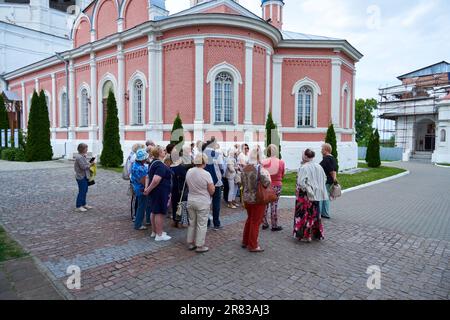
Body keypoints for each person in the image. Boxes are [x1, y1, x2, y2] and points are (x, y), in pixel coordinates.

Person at [294, 149, 328, 243]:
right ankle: (314, 234)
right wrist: (316, 188)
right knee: (314, 213)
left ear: (305, 156)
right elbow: (324, 179)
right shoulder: (319, 166)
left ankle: (305, 235)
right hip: (316, 194)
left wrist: (307, 188)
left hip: (305, 196)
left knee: (304, 214)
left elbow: (301, 182)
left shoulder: (304, 167)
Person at [241, 147, 271, 252]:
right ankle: (253, 245)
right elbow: (267, 183)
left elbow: (243, 183)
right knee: (256, 221)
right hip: (257, 198)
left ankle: (245, 241)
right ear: (259, 156)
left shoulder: (245, 168)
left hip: (247, 197)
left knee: (250, 219)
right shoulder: (260, 169)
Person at [186, 153, 216, 253]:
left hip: (191, 199)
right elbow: (212, 190)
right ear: (204, 162)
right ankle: (199, 245)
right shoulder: (206, 174)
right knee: (201, 224)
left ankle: (190, 242)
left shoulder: (189, 171)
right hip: (202, 201)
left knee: (192, 222)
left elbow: (187, 184)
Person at [144, 146, 173, 241]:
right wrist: (148, 189)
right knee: (159, 212)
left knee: (154, 211)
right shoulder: (160, 165)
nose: (165, 152)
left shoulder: (153, 162)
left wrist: (147, 188)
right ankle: (159, 235)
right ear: (160, 153)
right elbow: (156, 179)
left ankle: (154, 231)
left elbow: (148, 176)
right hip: (160, 191)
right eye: (163, 151)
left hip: (156, 191)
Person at [262, 144, 285, 231]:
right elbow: (283, 174)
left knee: (265, 205)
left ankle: (264, 223)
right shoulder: (281, 162)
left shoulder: (264, 162)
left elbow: (262, 175)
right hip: (277, 185)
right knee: (274, 205)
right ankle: (274, 225)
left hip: (267, 185)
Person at [203, 140, 224, 230]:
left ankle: (206, 222)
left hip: (204, 181)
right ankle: (216, 223)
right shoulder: (217, 154)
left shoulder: (201, 154)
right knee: (216, 203)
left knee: (206, 203)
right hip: (215, 182)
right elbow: (222, 167)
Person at [170, 147, 193, 228]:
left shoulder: (172, 165)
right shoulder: (180, 166)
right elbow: (185, 176)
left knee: (174, 204)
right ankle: (179, 222)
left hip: (174, 187)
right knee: (181, 204)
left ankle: (174, 221)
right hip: (181, 188)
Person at [131, 149, 150, 230]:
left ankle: (138, 223)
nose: (146, 159)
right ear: (142, 159)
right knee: (141, 207)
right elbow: (143, 181)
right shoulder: (141, 168)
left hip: (137, 188)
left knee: (140, 206)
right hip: (141, 189)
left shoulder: (135, 165)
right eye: (145, 158)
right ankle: (138, 224)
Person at [74, 143, 95, 212]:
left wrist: (89, 163)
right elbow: (83, 167)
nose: (87, 149)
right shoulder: (79, 157)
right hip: (81, 177)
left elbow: (85, 164)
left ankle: (84, 204)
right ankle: (78, 206)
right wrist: (91, 164)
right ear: (82, 149)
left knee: (85, 190)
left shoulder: (82, 156)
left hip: (85, 176)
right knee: (82, 191)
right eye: (86, 148)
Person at [319, 143, 338, 219]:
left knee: (323, 196)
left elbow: (332, 170)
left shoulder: (327, 158)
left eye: (322, 149)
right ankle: (324, 212)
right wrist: (334, 179)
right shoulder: (331, 158)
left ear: (326, 150)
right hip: (328, 180)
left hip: (326, 180)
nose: (321, 151)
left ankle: (323, 213)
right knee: (325, 195)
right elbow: (334, 170)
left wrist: (334, 179)